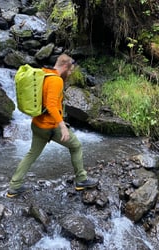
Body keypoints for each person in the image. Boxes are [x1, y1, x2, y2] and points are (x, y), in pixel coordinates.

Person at [6, 54, 98, 198]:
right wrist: (62, 126)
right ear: (66, 66)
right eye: (71, 69)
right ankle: (81, 180)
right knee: (76, 146)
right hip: (51, 126)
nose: (71, 72)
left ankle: (14, 186)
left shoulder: (43, 74)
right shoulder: (56, 81)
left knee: (31, 154)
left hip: (37, 124)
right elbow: (51, 105)